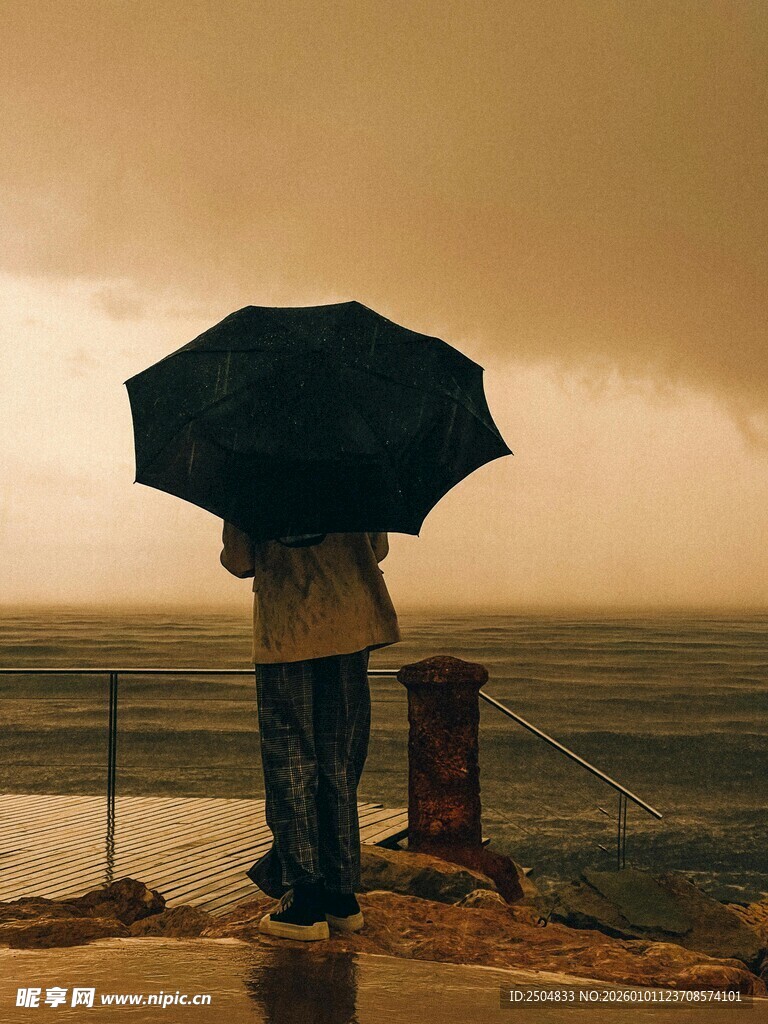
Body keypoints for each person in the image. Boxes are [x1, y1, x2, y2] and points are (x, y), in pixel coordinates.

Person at [220, 523, 401, 941]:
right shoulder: (358, 465)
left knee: (290, 759)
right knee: (338, 760)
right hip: (350, 623)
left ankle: (305, 900)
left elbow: (239, 562)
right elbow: (378, 548)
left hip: (287, 630)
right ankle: (342, 896)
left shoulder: (252, 472)